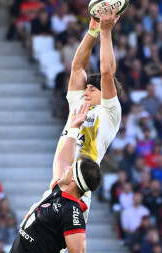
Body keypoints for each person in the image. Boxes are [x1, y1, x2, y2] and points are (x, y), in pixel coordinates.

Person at [0, 100, 101, 253]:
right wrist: (73, 127)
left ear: (73, 179)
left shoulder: (72, 210)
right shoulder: (58, 190)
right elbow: (61, 159)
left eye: (70, 168)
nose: (66, 168)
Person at [51, 1, 122, 220]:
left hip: (79, 189)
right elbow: (77, 67)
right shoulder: (79, 104)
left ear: (106, 94)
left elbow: (107, 73)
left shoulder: (109, 114)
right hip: (57, 181)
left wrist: (106, 32)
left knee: (69, 249)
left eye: (93, 89)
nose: (87, 92)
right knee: (43, 252)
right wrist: (92, 30)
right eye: (87, 88)